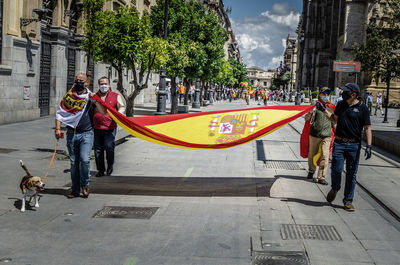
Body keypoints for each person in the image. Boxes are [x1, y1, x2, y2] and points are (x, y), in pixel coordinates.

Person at [318, 83, 372, 212]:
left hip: (354, 145)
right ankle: (335, 187)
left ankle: (348, 201)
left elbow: (368, 128)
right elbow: (334, 119)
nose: (343, 93)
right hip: (339, 143)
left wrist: (369, 146)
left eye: (346, 91)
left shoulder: (363, 108)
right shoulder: (341, 105)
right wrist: (323, 110)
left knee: (351, 174)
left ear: (353, 94)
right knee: (336, 169)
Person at [55, 72, 106, 198]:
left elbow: (103, 112)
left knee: (84, 160)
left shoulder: (90, 96)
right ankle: (75, 189)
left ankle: (85, 184)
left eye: (81, 80)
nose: (79, 82)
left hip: (87, 134)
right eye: (77, 80)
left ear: (86, 83)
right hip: (72, 134)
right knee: (74, 163)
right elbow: (60, 113)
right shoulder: (69, 97)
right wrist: (57, 129)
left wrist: (96, 101)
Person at [93, 77, 126, 178]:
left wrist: (118, 115)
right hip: (97, 127)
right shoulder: (94, 97)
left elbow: (122, 106)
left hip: (110, 127)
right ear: (99, 85)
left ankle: (110, 164)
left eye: (105, 84)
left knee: (109, 147)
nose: (104, 86)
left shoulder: (115, 96)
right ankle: (100, 170)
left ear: (109, 85)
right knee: (98, 150)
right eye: (101, 84)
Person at [304, 88, 335, 185]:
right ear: (320, 94)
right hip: (314, 134)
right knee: (311, 154)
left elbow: (334, 121)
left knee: (325, 156)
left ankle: (321, 177)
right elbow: (306, 119)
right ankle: (311, 171)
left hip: (327, 135)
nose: (326, 95)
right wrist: (311, 111)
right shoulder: (314, 105)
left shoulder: (332, 107)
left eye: (327, 94)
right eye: (324, 93)